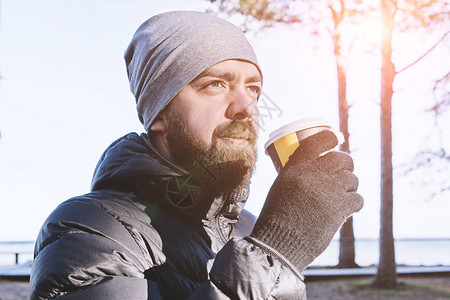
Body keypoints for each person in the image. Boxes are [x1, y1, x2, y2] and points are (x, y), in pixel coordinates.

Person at [30, 11, 363, 300]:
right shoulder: (87, 229)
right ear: (160, 112)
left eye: (253, 88)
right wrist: (274, 255)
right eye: (215, 84)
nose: (246, 107)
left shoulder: (246, 227)